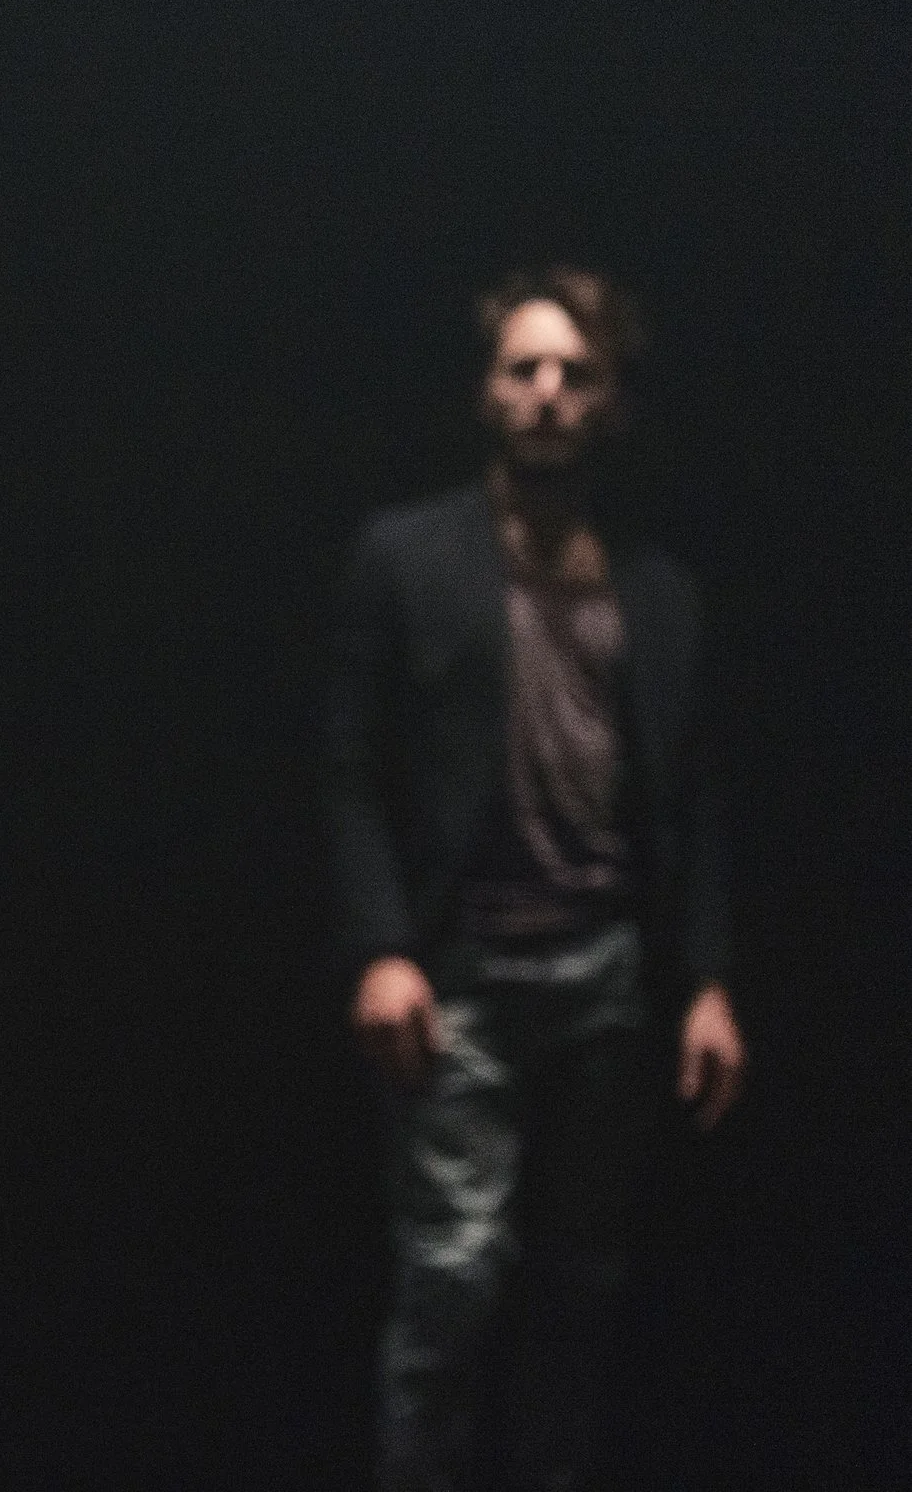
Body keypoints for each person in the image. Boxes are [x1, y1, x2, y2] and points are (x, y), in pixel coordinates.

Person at [326, 267, 746, 1491]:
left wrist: (707, 980)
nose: (549, 391)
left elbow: (692, 805)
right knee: (452, 1278)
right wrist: (381, 947)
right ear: (486, 392)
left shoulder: (660, 594)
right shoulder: (406, 557)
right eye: (525, 368)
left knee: (580, 1291)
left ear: (611, 402)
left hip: (605, 978)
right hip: (461, 973)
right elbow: (350, 768)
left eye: (576, 372)